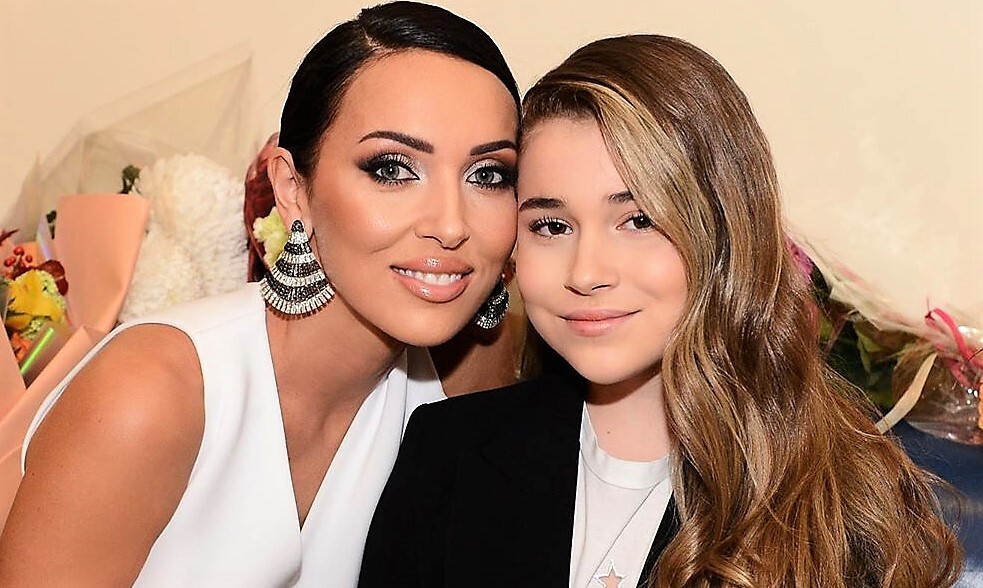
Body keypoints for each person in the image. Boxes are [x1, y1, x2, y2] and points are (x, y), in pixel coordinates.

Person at [358, 34, 963, 588]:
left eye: (638, 220)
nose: (586, 273)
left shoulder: (847, 504)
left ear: (723, 234)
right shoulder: (447, 452)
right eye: (551, 225)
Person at [0, 2, 520, 586]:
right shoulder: (152, 393)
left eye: (488, 175)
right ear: (292, 189)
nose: (450, 224)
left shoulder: (469, 371)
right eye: (393, 169)